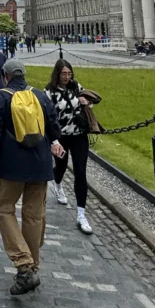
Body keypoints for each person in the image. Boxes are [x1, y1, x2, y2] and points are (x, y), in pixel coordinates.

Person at [0, 59, 63, 296]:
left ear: (4, 75)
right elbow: (54, 127)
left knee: (4, 208)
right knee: (34, 215)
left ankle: (24, 264)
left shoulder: (1, 97)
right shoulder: (39, 95)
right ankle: (33, 266)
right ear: (24, 75)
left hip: (11, 164)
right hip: (39, 164)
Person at [44, 60, 97, 234]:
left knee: (81, 172)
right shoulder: (49, 92)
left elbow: (90, 104)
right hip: (62, 137)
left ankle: (81, 214)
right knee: (60, 167)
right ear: (57, 74)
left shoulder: (76, 86)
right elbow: (48, 117)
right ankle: (58, 185)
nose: (67, 77)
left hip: (79, 135)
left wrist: (85, 102)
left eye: (69, 74)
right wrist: (53, 140)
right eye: (64, 74)